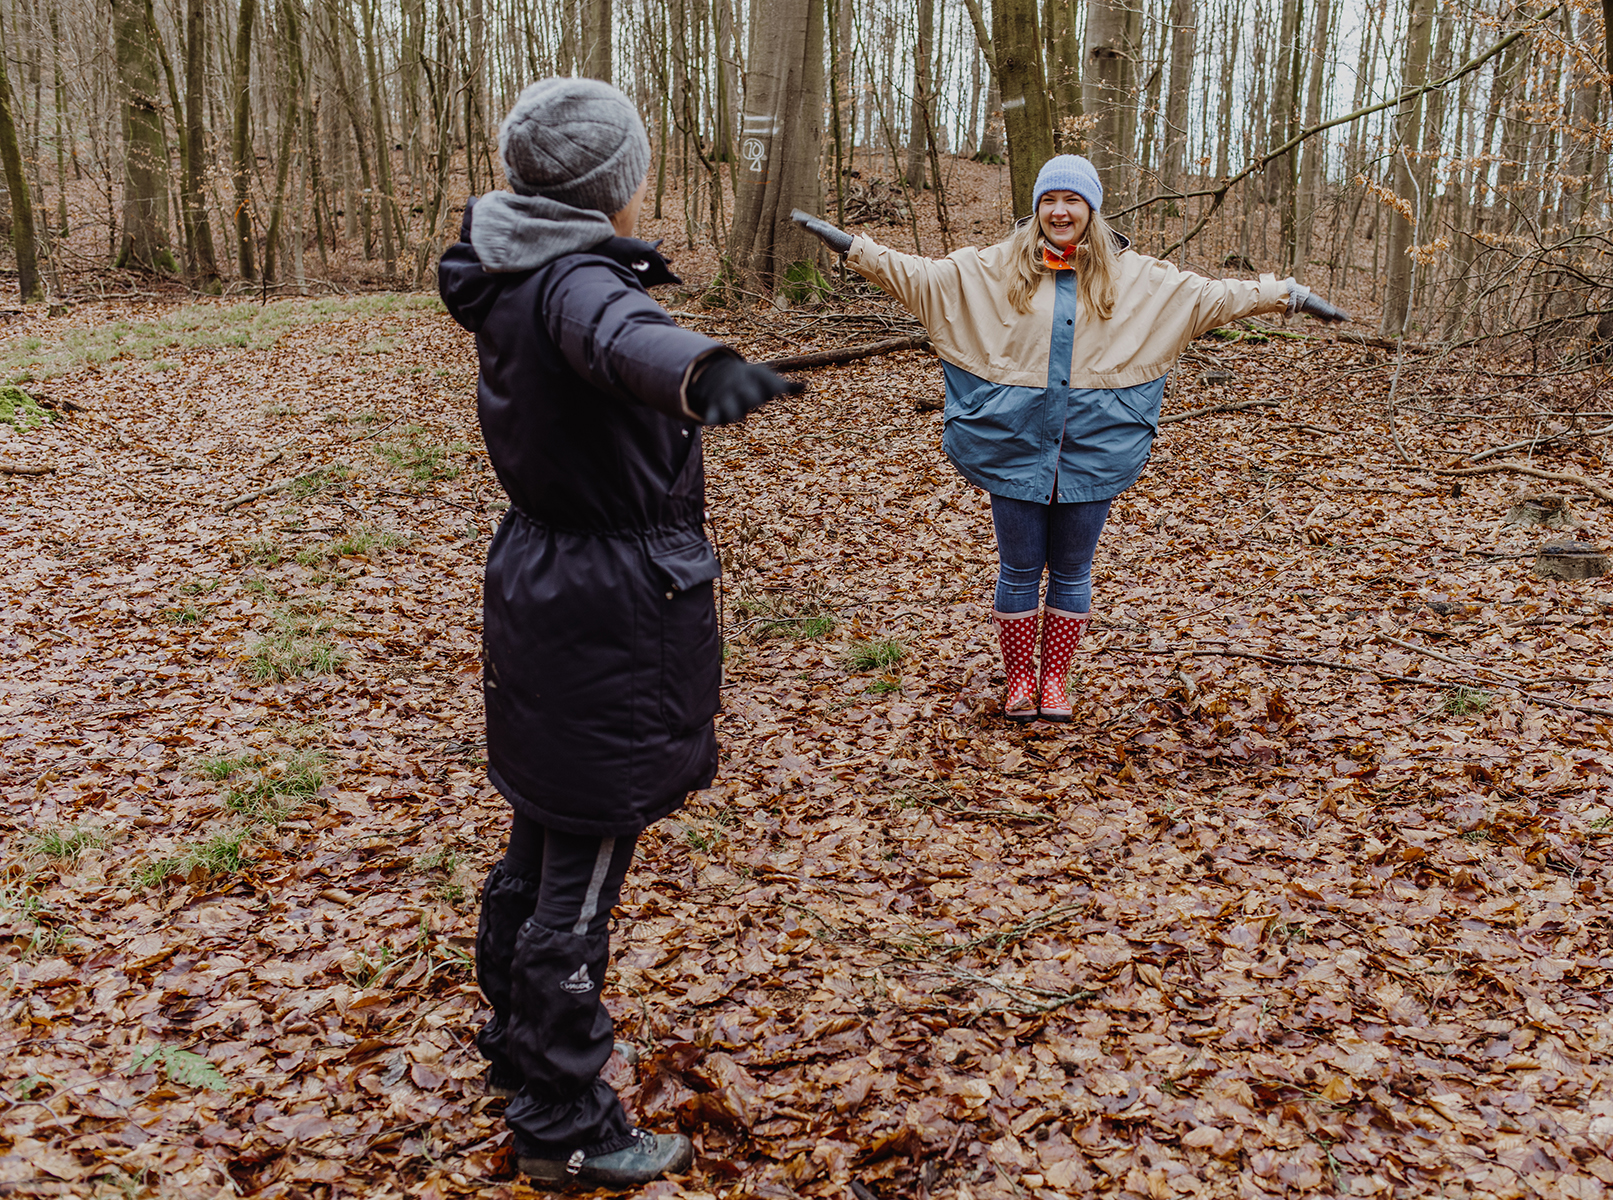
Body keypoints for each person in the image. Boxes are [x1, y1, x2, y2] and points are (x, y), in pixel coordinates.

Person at [438, 78, 799, 1190]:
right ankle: (566, 1121)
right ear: (614, 186)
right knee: (579, 874)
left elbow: (608, 336)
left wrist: (685, 371)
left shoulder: (513, 270)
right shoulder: (576, 282)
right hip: (603, 612)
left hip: (551, 586)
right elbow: (623, 335)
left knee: (544, 840)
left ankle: (518, 1054)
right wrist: (700, 373)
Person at [793, 156, 1347, 721]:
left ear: (1091, 209)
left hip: (1095, 444)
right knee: (1019, 569)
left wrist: (1288, 294)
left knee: (1074, 569)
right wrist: (851, 246)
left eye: (1072, 201)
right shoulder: (993, 268)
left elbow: (1212, 296)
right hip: (1014, 442)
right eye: (1049, 200)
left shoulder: (1139, 280)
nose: (1060, 211)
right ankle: (1018, 683)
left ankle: (1054, 680)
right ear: (1037, 208)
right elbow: (920, 277)